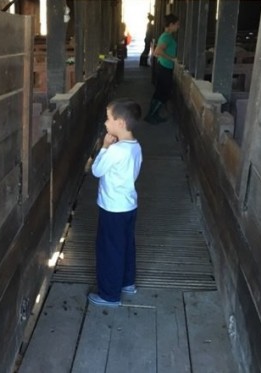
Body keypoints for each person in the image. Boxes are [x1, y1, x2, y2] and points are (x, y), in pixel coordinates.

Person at [87, 98, 143, 307]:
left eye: (108, 119)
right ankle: (127, 282)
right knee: (126, 244)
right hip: (129, 205)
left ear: (120, 123)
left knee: (109, 249)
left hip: (112, 208)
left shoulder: (116, 150)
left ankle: (109, 295)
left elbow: (96, 170)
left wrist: (103, 147)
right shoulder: (135, 147)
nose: (105, 123)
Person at [145, 13, 180, 124]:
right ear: (170, 25)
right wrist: (172, 59)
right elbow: (157, 52)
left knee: (160, 92)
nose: (178, 26)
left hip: (163, 66)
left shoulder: (166, 36)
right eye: (177, 24)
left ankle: (152, 115)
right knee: (164, 93)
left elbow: (156, 53)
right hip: (165, 67)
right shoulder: (167, 37)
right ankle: (152, 115)